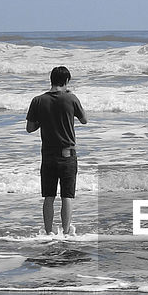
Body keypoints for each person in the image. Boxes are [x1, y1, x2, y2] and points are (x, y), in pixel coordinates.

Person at [26, 65, 88, 235]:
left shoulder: (38, 100)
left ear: (51, 80)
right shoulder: (71, 99)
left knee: (49, 197)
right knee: (67, 196)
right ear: (66, 81)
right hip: (67, 154)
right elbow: (84, 120)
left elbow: (30, 128)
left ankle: (48, 233)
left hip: (47, 155)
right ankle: (66, 232)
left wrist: (44, 121)